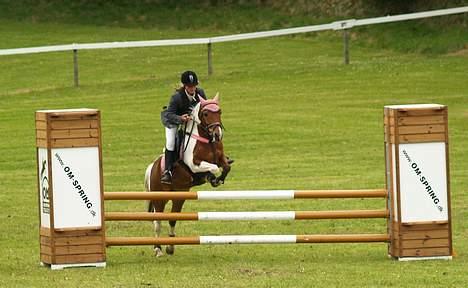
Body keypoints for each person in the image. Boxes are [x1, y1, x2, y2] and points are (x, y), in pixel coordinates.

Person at [160, 70, 207, 184]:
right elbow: (169, 114)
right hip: (173, 121)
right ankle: (168, 171)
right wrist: (180, 118)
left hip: (191, 122)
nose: (192, 88)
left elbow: (205, 108)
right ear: (185, 86)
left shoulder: (200, 93)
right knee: (171, 142)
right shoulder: (177, 98)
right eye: (189, 86)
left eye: (194, 86)